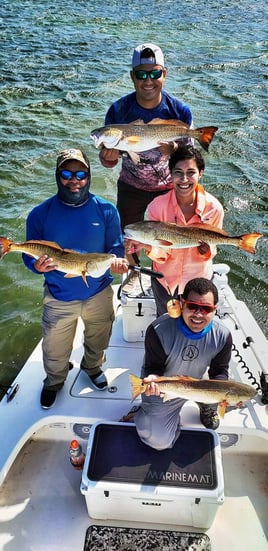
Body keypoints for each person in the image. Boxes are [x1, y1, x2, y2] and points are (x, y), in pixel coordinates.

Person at [23, 148, 129, 409]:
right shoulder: (40, 214)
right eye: (67, 174)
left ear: (89, 175)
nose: (75, 180)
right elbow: (29, 253)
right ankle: (54, 381)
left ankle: (92, 368)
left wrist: (117, 261)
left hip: (99, 292)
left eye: (81, 173)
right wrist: (37, 266)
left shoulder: (106, 210)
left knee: (99, 339)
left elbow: (116, 248)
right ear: (58, 176)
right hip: (59, 296)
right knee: (54, 349)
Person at [99, 43, 193, 289]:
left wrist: (173, 151)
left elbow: (189, 156)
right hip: (131, 185)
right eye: (141, 74)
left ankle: (166, 277)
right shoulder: (118, 110)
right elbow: (109, 162)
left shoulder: (180, 111)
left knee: (168, 237)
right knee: (129, 234)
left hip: (168, 188)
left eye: (155, 73)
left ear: (165, 74)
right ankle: (133, 272)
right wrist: (108, 156)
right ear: (132, 76)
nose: (148, 80)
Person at [133, 277, 233, 450]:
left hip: (199, 384)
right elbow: (153, 367)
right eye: (192, 306)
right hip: (166, 385)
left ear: (214, 310)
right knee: (158, 441)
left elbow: (219, 371)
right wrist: (152, 379)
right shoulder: (158, 330)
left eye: (206, 309)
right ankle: (143, 412)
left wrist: (222, 391)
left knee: (229, 394)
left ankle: (205, 404)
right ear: (181, 303)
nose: (198, 314)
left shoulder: (223, 336)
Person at [126, 145, 224, 315]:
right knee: (165, 322)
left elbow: (212, 249)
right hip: (164, 281)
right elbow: (163, 254)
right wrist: (146, 246)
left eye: (191, 172)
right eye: (178, 172)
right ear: (170, 174)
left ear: (200, 173)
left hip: (198, 282)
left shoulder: (214, 209)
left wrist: (206, 251)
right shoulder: (157, 206)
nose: (184, 179)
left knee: (195, 326)